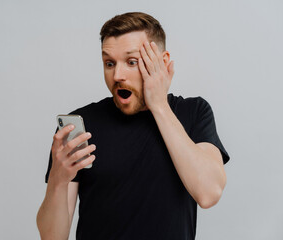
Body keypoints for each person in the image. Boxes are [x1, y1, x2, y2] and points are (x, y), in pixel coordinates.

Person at [36, 12, 230, 240]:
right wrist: (58, 180)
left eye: (132, 62)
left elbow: (209, 193)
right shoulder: (81, 126)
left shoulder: (193, 113)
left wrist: (159, 106)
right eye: (109, 63)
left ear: (162, 62)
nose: (117, 75)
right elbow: (52, 237)